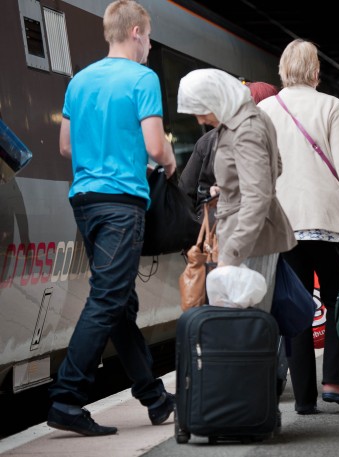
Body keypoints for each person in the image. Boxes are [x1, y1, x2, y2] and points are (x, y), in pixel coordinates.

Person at [47, 0, 177, 436]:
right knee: (108, 299)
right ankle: (67, 399)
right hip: (121, 202)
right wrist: (169, 161)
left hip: (84, 199)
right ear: (137, 31)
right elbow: (157, 147)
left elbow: (66, 146)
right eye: (149, 36)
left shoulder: (80, 80)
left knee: (119, 302)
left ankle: (155, 400)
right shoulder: (143, 78)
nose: (149, 45)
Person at [257, 38, 339, 415]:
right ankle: (335, 382)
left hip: (283, 224)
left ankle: (304, 398)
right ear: (315, 72)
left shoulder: (264, 109)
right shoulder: (331, 106)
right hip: (328, 222)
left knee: (293, 306)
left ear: (282, 69)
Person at [177, 69, 296, 314]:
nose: (199, 120)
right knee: (248, 327)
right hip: (251, 237)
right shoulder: (249, 119)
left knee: (244, 330)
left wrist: (231, 253)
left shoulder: (245, 129)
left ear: (216, 98)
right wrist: (233, 184)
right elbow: (277, 166)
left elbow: (258, 197)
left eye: (201, 110)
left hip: (248, 240)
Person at [178, 81, 279, 219]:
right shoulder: (277, 140)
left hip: (219, 227)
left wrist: (199, 225)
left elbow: (185, 191)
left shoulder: (208, 141)